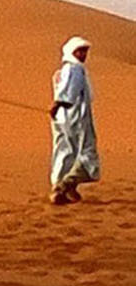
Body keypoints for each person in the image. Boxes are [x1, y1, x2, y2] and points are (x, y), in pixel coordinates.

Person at [50, 36, 100, 205]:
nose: (83, 54)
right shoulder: (75, 69)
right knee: (86, 152)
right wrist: (58, 103)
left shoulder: (64, 70)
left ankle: (62, 187)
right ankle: (65, 185)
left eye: (85, 51)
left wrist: (57, 105)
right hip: (76, 117)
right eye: (79, 51)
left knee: (65, 151)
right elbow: (68, 93)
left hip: (63, 118)